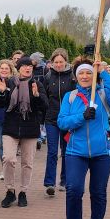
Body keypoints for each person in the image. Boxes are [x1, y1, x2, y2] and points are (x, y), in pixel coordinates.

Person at [57, 59, 110, 219]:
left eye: (89, 73)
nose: (85, 76)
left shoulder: (103, 94)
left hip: (103, 152)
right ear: (76, 76)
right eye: (81, 73)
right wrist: (82, 116)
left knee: (98, 191)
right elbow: (62, 122)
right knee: (74, 190)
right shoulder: (70, 97)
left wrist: (102, 72)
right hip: (76, 152)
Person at [0, 57, 47, 208]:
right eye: (24, 66)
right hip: (11, 127)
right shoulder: (10, 82)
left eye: (30, 66)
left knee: (27, 163)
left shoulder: (37, 84)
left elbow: (45, 106)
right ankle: (10, 191)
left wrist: (36, 96)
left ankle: (23, 192)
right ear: (18, 68)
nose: (27, 68)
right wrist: (2, 93)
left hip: (30, 127)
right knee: (9, 159)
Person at [42, 48, 76, 195]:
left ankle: (65, 180)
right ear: (52, 63)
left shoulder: (73, 77)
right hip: (52, 119)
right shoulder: (48, 77)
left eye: (61, 62)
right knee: (52, 151)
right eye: (56, 62)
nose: (58, 64)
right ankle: (50, 183)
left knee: (66, 151)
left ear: (66, 62)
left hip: (67, 120)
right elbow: (44, 97)